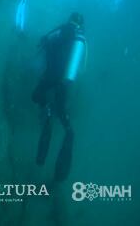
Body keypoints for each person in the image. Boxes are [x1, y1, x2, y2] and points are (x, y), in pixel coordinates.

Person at [32, 12, 87, 182]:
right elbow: (82, 68)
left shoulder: (61, 29)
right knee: (62, 111)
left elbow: (43, 42)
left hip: (50, 75)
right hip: (65, 81)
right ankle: (68, 129)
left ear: (69, 19)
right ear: (80, 24)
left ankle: (47, 112)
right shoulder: (81, 38)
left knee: (36, 96)